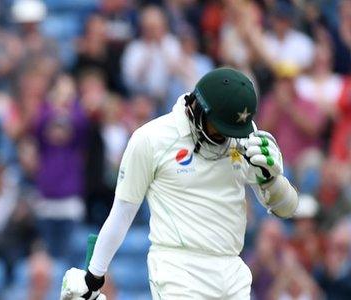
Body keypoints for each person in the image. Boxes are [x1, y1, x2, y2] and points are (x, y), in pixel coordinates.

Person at [61, 68, 299, 299]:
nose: (227, 138)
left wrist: (271, 179)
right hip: (178, 268)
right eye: (221, 129)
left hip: (232, 267)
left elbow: (287, 209)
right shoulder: (152, 139)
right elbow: (122, 212)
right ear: (199, 107)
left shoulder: (242, 135)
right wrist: (94, 277)